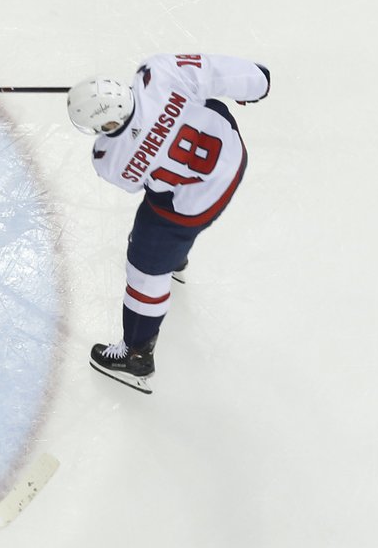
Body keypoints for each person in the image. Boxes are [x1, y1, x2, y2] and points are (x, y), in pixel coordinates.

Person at [67, 53, 270, 393]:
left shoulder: (106, 158)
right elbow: (214, 72)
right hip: (230, 156)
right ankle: (175, 255)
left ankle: (135, 355)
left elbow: (133, 182)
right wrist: (257, 81)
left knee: (145, 269)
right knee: (169, 223)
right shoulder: (157, 74)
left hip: (191, 205)